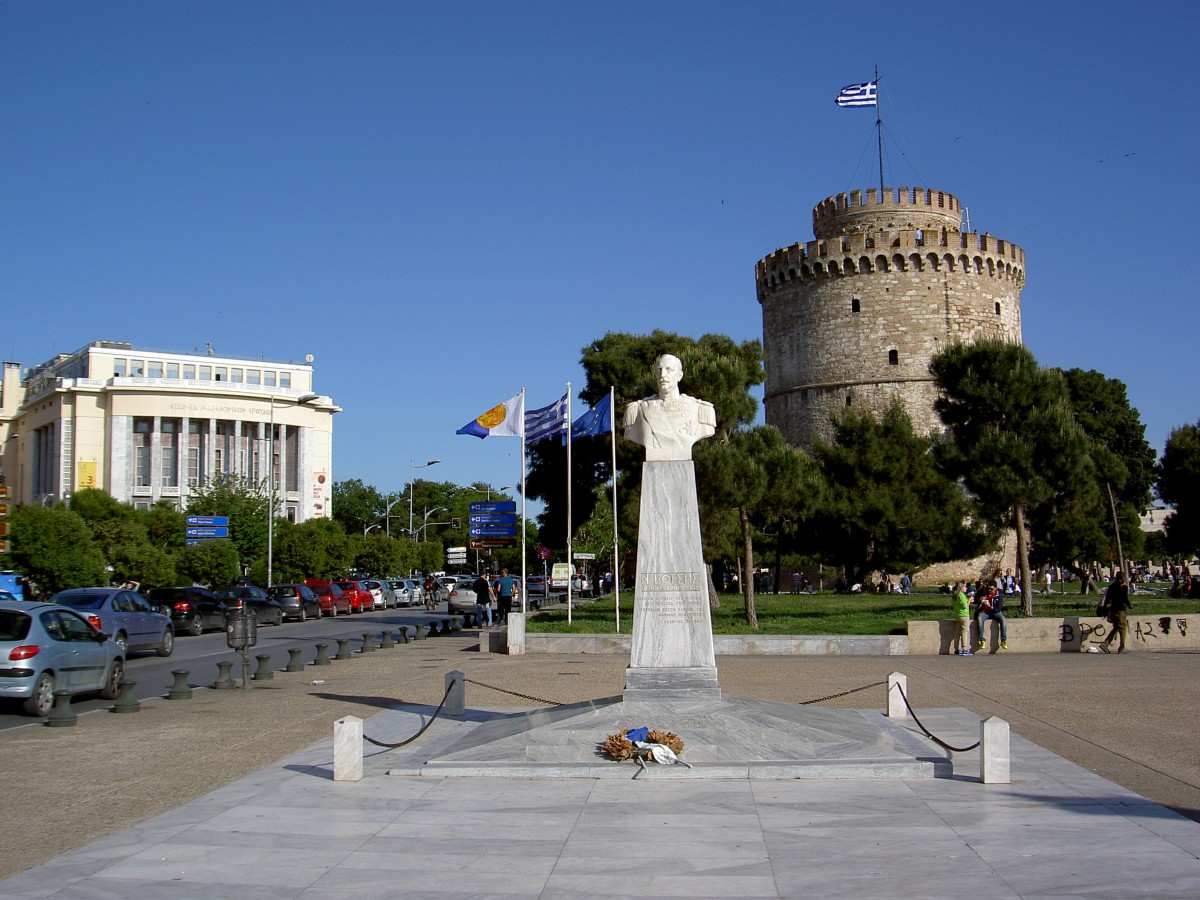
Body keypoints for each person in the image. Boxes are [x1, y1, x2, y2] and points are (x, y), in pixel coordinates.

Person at [623, 354, 716, 461]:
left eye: (669, 369)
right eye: (659, 369)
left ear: (679, 375)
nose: (662, 374)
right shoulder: (638, 409)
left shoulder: (700, 409)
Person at [1098, 570, 1132, 653]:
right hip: (1120, 610)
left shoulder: (1111, 587)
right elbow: (1124, 599)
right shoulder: (1123, 587)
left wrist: (1105, 611)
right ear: (1122, 578)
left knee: (1116, 627)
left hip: (1112, 610)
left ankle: (1105, 643)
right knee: (1123, 629)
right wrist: (1130, 605)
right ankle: (1122, 647)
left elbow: (1107, 599)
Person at [974, 583, 1008, 651]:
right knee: (980, 619)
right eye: (988, 588)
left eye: (991, 589)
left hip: (995, 612)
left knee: (1003, 619)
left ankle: (1003, 640)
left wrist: (990, 606)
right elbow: (975, 599)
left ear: (995, 588)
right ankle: (982, 640)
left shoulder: (999, 595)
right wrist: (980, 600)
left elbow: (998, 609)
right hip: (985, 612)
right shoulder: (984, 592)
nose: (989, 590)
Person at [951, 581, 972, 655]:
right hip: (964, 615)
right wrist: (969, 600)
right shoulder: (961, 595)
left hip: (958, 615)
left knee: (957, 632)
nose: (966, 588)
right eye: (965, 586)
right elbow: (965, 606)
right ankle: (964, 649)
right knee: (964, 632)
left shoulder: (955, 595)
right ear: (961, 587)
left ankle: (956, 649)